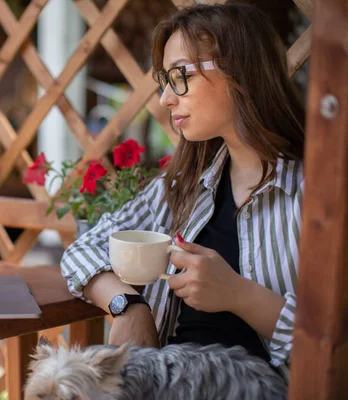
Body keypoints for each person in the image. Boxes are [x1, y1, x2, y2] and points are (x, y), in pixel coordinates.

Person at [61, 3, 304, 382]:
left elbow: (334, 342)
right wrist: (129, 305)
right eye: (165, 79)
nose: (165, 98)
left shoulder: (315, 197)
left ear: (239, 70)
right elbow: (83, 248)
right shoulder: (185, 184)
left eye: (181, 76)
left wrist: (239, 295)